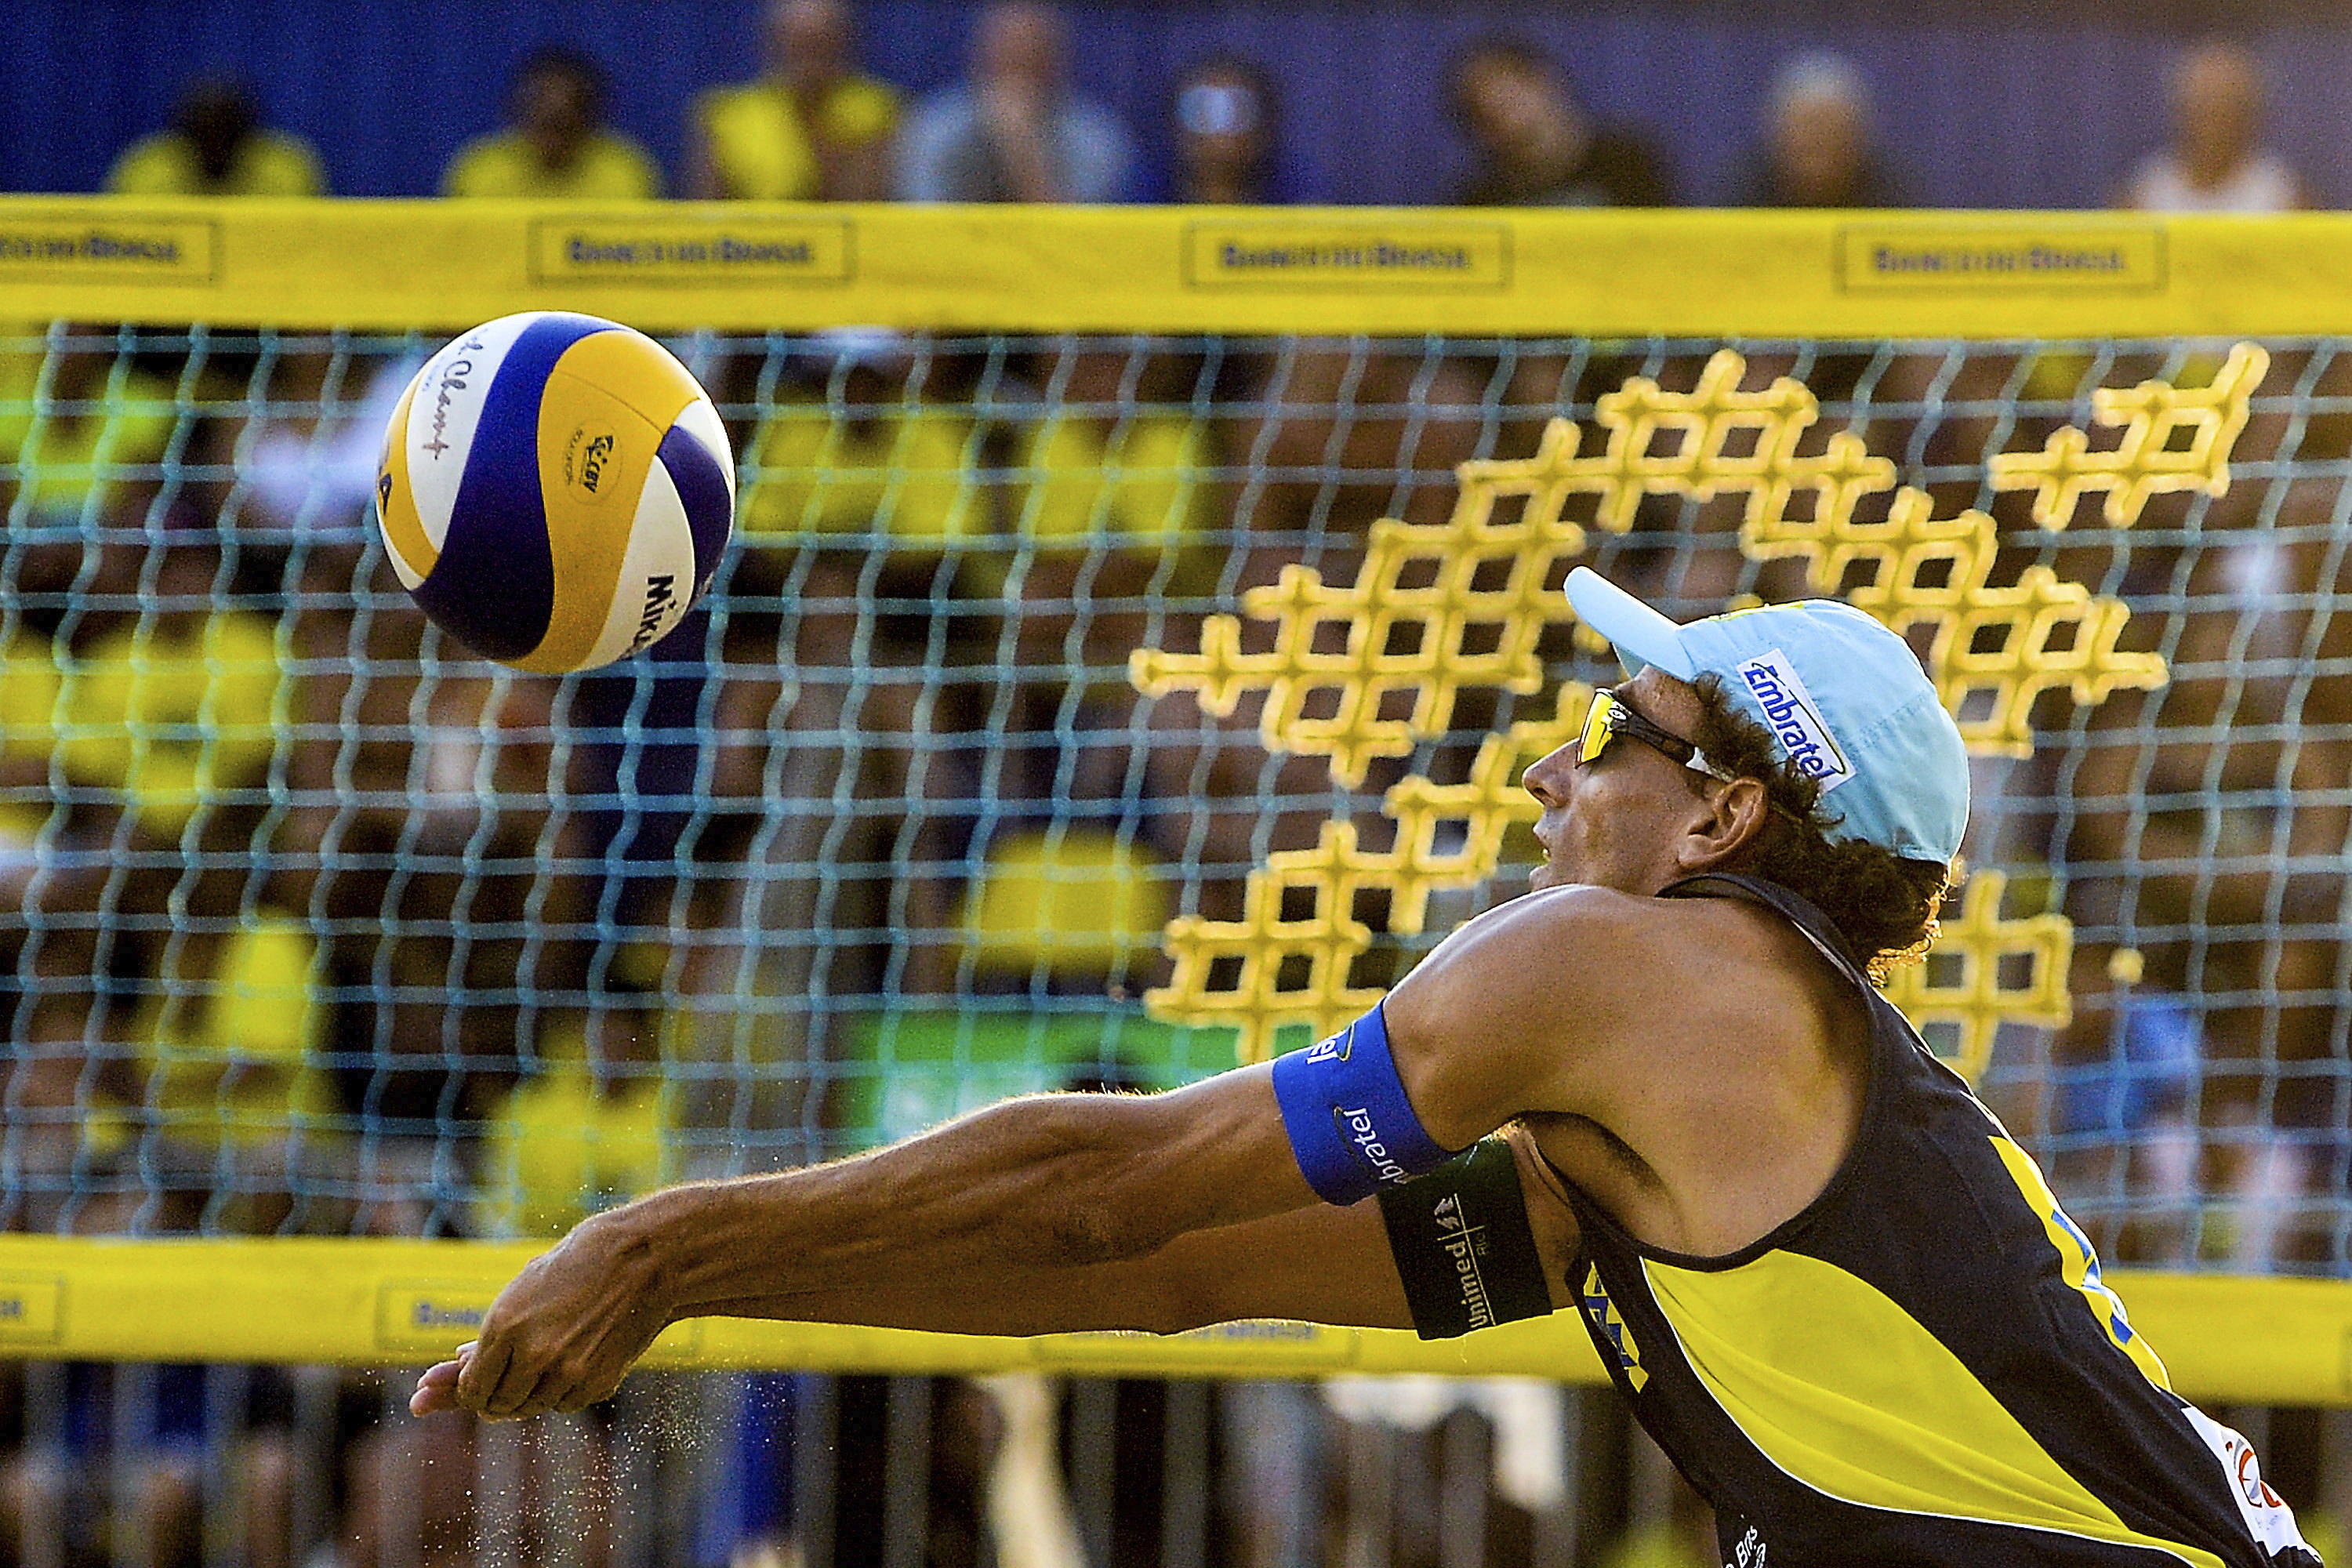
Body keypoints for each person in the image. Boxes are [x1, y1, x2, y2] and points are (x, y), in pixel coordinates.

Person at [414, 570, 2319, 1566]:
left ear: (1722, 811)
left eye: (1605, 727)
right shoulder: (1669, 1113)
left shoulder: (1635, 976)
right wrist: (705, 1284)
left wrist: (660, 1239)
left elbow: (1116, 1183)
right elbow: (1165, 1275)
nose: (1545, 769)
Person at [896, 2, 1136, 204]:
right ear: (981, 59)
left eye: (1032, 59)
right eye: (1009, 57)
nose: (1018, 73)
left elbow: (1081, 238)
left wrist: (1022, 148)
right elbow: (925, 226)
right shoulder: (935, 124)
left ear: (1056, 65)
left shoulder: (1095, 136)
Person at [685, 0, 899, 201]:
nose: (809, 60)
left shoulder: (875, 111)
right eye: (799, 45)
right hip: (752, 238)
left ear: (843, 44)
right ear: (774, 44)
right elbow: (706, 214)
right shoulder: (726, 115)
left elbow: (867, 204)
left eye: (820, 45)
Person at [1448, 38, 1668, 207]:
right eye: (1485, 116)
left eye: (1511, 102)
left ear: (1544, 82)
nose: (1511, 124)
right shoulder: (1482, 204)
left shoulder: (1626, 166)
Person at [441, 46, 661, 200]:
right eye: (544, 124)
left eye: (564, 127)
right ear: (518, 114)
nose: (553, 140)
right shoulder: (482, 170)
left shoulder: (624, 171)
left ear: (592, 119)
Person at [2118, 42, 2310, 212]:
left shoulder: (2285, 196)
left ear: (2251, 117)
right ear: (2181, 112)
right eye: (2203, 105)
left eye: (2227, 107)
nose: (2213, 123)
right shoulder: (2143, 195)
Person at [1739, 51, 1909, 209]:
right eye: (1807, 125)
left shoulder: (1900, 207)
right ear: (1777, 133)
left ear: (1857, 136)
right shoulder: (1737, 204)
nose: (1818, 139)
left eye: (1831, 127)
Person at [105, 78, 325, 198]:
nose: (216, 143)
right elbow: (119, 242)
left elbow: (310, 243)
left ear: (250, 134)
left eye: (228, 133)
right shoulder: (146, 171)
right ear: (182, 135)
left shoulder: (286, 170)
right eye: (204, 134)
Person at [1167, 56, 1279, 205]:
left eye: (1240, 111)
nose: (1219, 136)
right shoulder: (1143, 208)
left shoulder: (1299, 209)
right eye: (1201, 112)